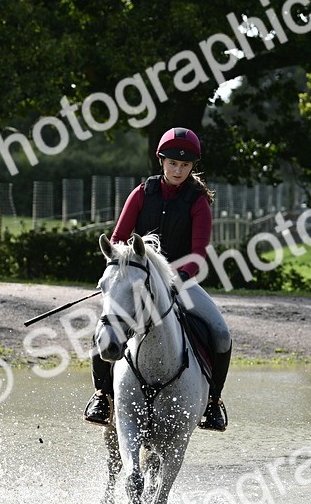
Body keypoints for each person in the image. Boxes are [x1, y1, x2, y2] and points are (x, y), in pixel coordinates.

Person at [84, 126, 232, 432]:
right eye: (173, 164)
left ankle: (213, 403)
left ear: (193, 167)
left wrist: (173, 280)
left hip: (181, 283)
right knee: (105, 328)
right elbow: (118, 239)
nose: (178, 170)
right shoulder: (141, 194)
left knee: (221, 332)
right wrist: (121, 268)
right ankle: (102, 395)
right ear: (161, 161)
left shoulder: (198, 201)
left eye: (185, 165)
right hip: (136, 278)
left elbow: (198, 254)